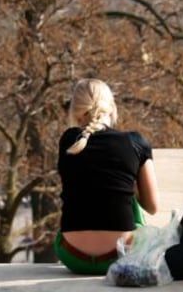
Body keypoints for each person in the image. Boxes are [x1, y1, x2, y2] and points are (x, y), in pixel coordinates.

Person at [56, 78, 159, 275]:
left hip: (72, 255)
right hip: (121, 254)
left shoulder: (68, 140)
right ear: (111, 107)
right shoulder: (135, 142)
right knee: (129, 200)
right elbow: (153, 207)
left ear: (76, 111)